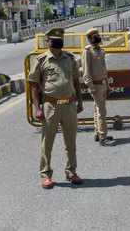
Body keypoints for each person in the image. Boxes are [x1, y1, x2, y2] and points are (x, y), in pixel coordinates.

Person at [28, 28, 84, 189]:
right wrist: (37, 109)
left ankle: (71, 171)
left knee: (71, 141)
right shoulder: (41, 60)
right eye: (55, 39)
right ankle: (45, 174)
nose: (58, 41)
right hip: (50, 106)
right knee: (47, 142)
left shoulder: (70, 58)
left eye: (60, 39)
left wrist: (79, 102)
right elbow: (33, 85)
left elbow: (76, 82)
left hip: (69, 105)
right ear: (48, 42)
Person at [81, 28, 114, 146]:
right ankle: (103, 136)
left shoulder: (101, 50)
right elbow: (86, 72)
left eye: (97, 34)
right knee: (102, 111)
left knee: (97, 109)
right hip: (95, 85)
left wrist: (108, 85)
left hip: (103, 84)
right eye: (94, 35)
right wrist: (90, 86)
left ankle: (98, 133)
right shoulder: (87, 51)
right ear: (89, 39)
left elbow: (104, 70)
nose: (97, 36)